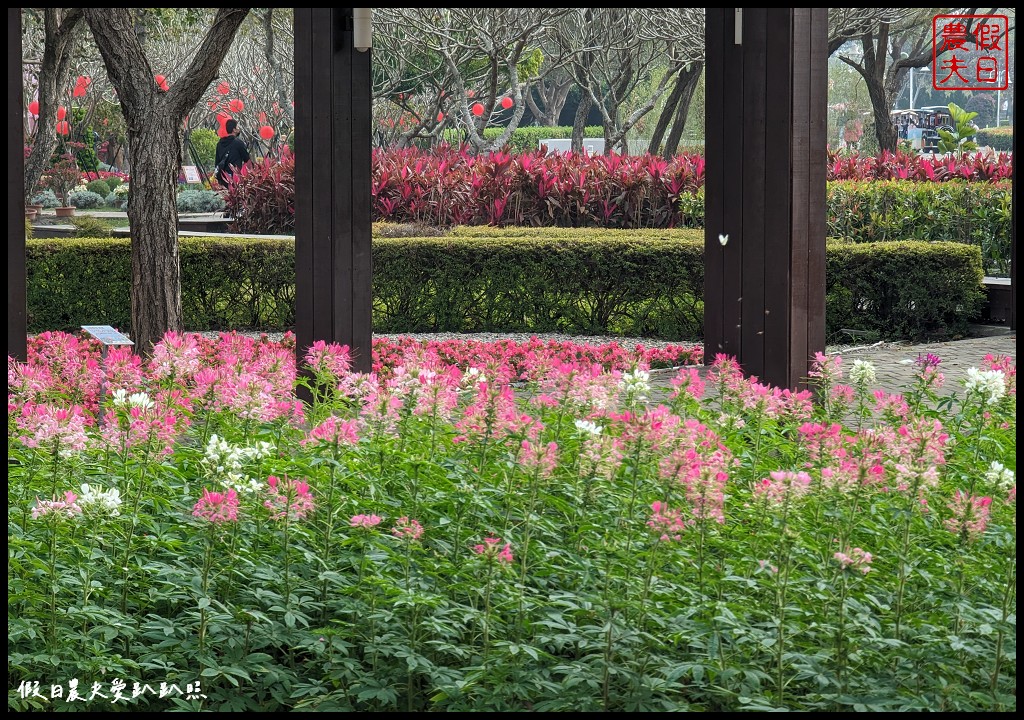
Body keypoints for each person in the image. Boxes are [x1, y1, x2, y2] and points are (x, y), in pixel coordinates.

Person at [215, 118, 250, 187]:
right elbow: (247, 160)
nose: (238, 128)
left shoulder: (219, 143)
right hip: (235, 178)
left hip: (223, 176)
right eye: (237, 127)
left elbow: (217, 161)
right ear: (234, 130)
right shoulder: (239, 143)